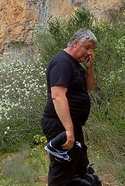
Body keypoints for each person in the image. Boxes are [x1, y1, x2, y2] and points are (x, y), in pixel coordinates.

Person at [41, 28, 99, 186]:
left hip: (71, 125)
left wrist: (89, 68)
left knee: (81, 171)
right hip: (60, 124)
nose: (89, 52)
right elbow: (57, 96)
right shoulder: (62, 62)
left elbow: (90, 87)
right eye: (87, 47)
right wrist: (68, 130)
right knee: (62, 172)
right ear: (75, 43)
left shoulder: (75, 65)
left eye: (92, 50)